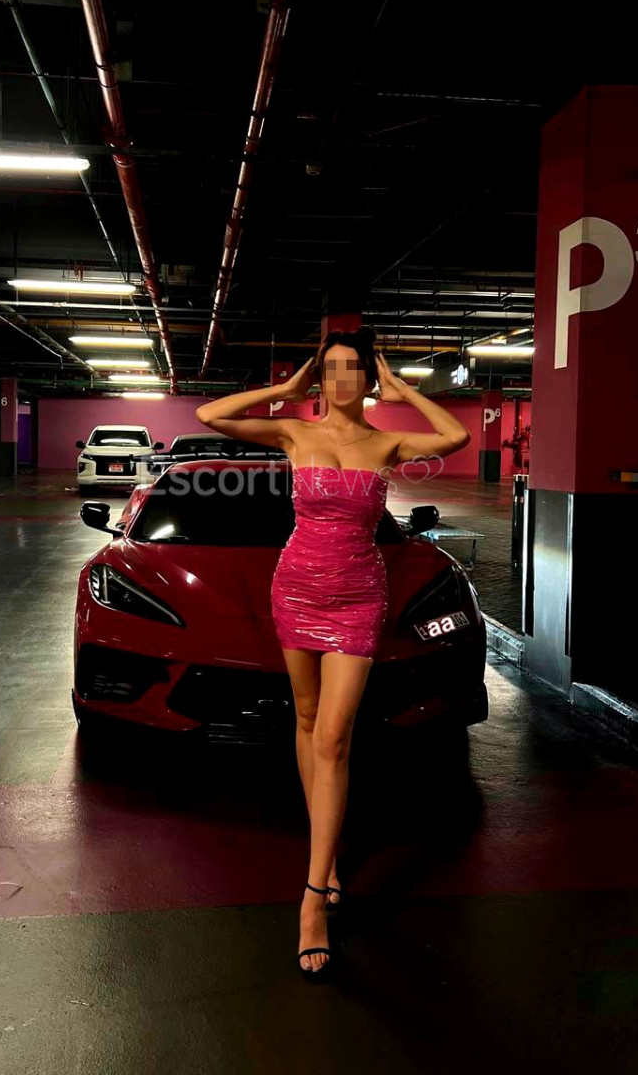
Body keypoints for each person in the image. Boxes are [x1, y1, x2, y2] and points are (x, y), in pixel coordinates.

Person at [195, 324, 471, 976]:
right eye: (332, 368)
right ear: (320, 379)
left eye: (355, 368)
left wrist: (405, 390)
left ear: (369, 379)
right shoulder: (296, 433)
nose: (342, 379)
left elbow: (455, 436)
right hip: (296, 588)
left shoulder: (386, 443)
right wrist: (284, 388)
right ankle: (327, 856)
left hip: (358, 597)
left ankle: (313, 895)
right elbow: (211, 415)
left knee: (334, 739)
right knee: (306, 718)